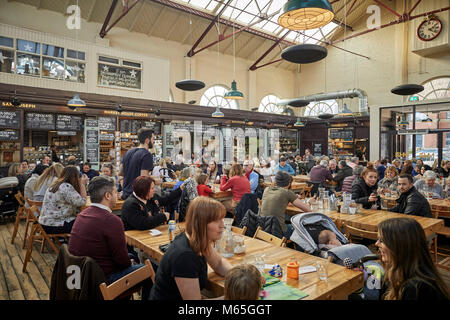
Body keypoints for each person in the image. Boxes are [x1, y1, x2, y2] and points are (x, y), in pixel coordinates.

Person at [69, 176, 153, 300]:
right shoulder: (112, 221)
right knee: (149, 271)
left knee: (132, 257)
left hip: (79, 276)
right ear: (107, 196)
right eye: (115, 192)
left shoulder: (82, 215)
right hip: (101, 280)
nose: (117, 194)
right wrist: (129, 262)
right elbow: (122, 262)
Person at [149, 197, 233, 300]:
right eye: (216, 221)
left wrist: (240, 277)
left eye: (222, 219)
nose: (222, 225)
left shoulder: (198, 240)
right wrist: (233, 298)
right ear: (201, 223)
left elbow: (218, 263)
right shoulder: (184, 256)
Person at [377, 218, 448, 300]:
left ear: (401, 246)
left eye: (382, 240)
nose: (376, 243)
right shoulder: (396, 271)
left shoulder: (416, 289)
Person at [260, 171, 312, 238]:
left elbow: (277, 202)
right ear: (289, 183)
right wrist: (309, 201)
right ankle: (299, 248)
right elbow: (308, 210)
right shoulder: (287, 193)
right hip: (278, 230)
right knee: (303, 229)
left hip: (263, 228)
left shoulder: (267, 189)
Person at [39, 166, 87, 234]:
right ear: (74, 177)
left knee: (80, 220)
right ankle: (75, 243)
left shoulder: (55, 185)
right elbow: (82, 202)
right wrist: (82, 185)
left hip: (44, 223)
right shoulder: (66, 187)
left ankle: (67, 241)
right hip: (55, 225)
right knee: (85, 223)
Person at [121, 128, 156, 199]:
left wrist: (125, 188)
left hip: (125, 195)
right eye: (153, 139)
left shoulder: (128, 152)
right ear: (147, 140)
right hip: (137, 196)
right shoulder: (146, 155)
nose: (154, 141)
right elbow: (144, 179)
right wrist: (155, 180)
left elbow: (120, 174)